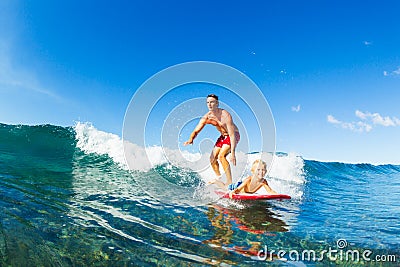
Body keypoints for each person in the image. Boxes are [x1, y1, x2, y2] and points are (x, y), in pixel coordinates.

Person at [183, 94, 240, 189]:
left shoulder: (225, 115)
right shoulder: (207, 117)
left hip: (233, 135)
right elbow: (196, 130)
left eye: (212, 102)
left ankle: (229, 183)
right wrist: (191, 139)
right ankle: (220, 179)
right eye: (208, 102)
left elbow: (232, 134)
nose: (209, 104)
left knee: (221, 156)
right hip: (222, 137)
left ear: (217, 103)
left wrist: (233, 152)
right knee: (212, 159)